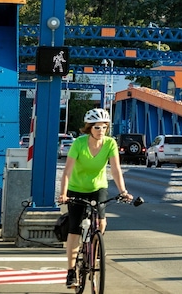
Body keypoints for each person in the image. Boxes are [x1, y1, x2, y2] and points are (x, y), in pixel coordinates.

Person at [58, 108, 131, 289]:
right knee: (74, 229)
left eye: (104, 127)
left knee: (101, 222)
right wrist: (63, 194)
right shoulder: (79, 144)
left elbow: (115, 169)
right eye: (97, 127)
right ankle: (70, 271)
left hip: (98, 187)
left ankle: (96, 246)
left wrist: (123, 191)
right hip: (76, 188)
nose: (101, 131)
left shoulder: (110, 143)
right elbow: (67, 171)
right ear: (89, 128)